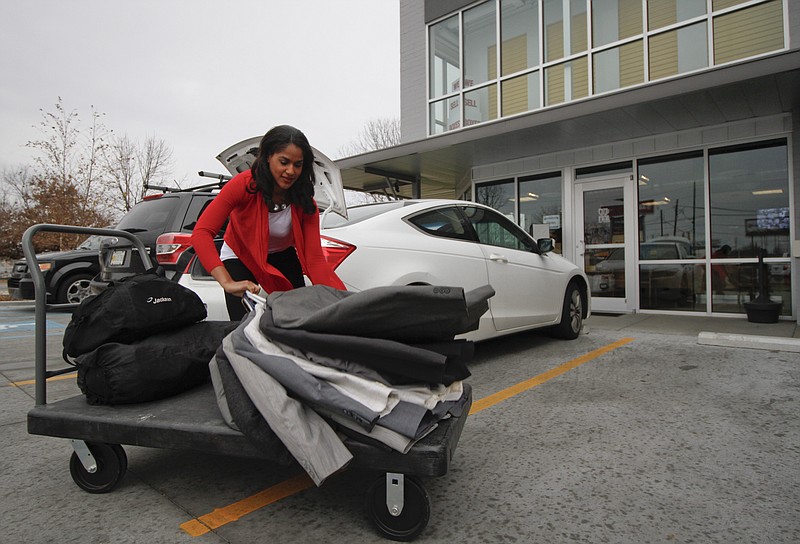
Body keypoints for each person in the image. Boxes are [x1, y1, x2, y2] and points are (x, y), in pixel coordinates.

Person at [191, 125, 345, 320]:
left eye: (298, 165)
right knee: (243, 325)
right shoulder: (243, 185)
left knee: (297, 317)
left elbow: (315, 260)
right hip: (240, 253)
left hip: (281, 255)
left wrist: (340, 300)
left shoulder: (305, 200)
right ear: (267, 158)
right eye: (284, 162)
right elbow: (202, 233)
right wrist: (227, 282)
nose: (291, 171)